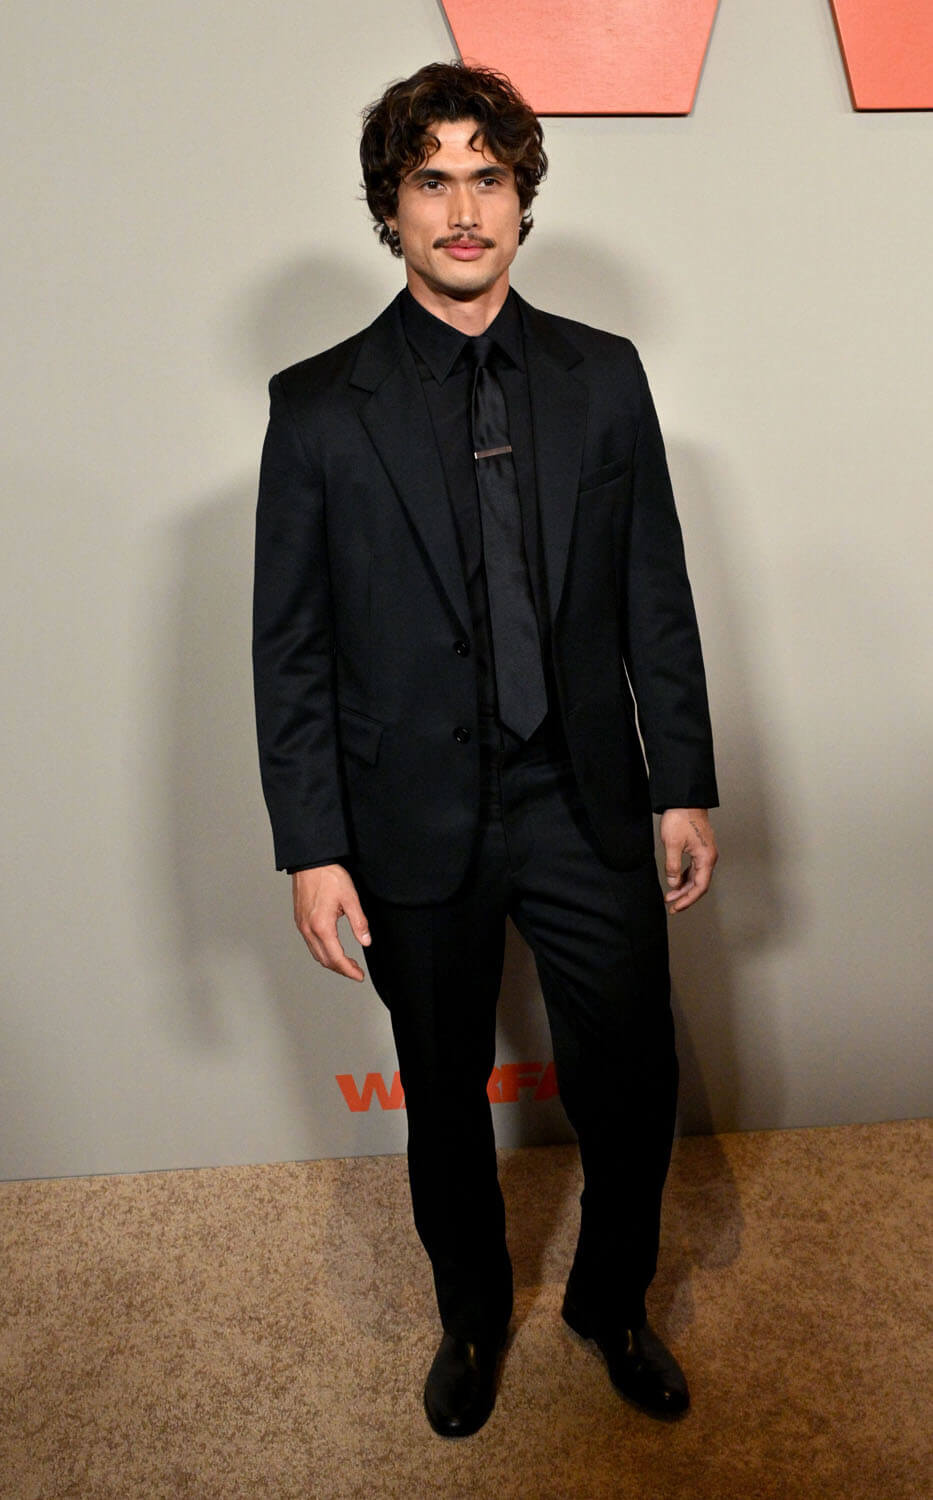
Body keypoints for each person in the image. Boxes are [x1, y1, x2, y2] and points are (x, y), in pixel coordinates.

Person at [253, 60, 718, 1438]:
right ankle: (469, 1317)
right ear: (390, 209)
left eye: (487, 178)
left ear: (520, 200)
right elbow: (291, 648)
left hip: (583, 794)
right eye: (431, 180)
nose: (462, 209)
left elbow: (654, 595)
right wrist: (312, 846)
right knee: (444, 1093)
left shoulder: (603, 376)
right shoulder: (316, 406)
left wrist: (682, 782)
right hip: (408, 812)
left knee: (631, 1076)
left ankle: (610, 1305)